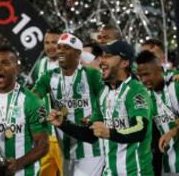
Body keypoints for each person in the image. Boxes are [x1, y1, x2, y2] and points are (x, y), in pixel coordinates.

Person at [48, 40, 154, 175]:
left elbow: (140, 129)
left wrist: (109, 133)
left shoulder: (136, 91)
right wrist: (63, 124)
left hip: (136, 172)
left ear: (124, 63)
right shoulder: (104, 93)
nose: (102, 61)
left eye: (108, 56)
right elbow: (92, 134)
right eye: (102, 56)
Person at [33, 33, 104, 176]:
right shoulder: (49, 76)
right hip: (65, 149)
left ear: (78, 53)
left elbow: (108, 100)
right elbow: (32, 98)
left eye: (66, 48)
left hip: (90, 150)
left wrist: (96, 115)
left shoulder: (92, 75)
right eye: (59, 47)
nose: (60, 51)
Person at [0, 46, 49, 176]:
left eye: (5, 63)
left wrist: (18, 164)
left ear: (17, 69)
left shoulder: (31, 101)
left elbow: (43, 145)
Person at [136, 50, 179, 175]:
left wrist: (174, 131)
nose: (143, 80)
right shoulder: (147, 95)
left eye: (147, 74)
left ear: (160, 69)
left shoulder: (175, 87)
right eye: (140, 76)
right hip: (167, 166)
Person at [31, 29, 64, 176]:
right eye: (47, 43)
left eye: (54, 42)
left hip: (65, 134)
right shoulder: (41, 64)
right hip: (46, 135)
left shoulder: (71, 63)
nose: (50, 47)